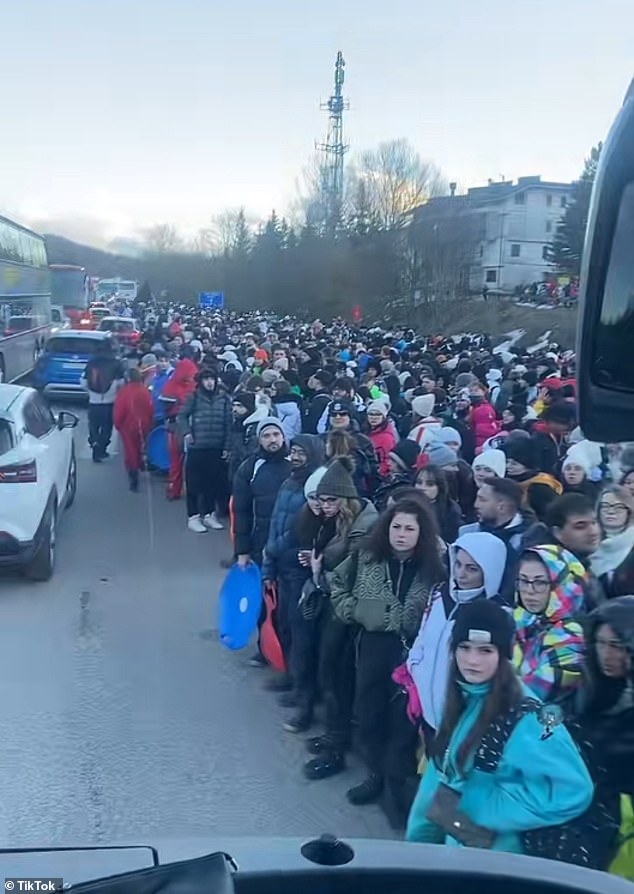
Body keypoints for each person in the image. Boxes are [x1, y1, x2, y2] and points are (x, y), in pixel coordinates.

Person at [406, 600, 594, 851]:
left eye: (486, 650)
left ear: (503, 654)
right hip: (455, 848)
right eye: (465, 647)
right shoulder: (460, 698)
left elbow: (574, 789)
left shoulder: (528, 716)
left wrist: (486, 805)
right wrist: (418, 843)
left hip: (497, 862)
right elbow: (438, 778)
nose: (472, 660)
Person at [330, 499, 443, 822]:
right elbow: (337, 582)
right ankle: (374, 774)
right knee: (369, 710)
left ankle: (396, 785)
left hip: (414, 650)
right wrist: (352, 610)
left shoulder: (434, 567)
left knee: (403, 719)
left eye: (409, 528)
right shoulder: (367, 556)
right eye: (396, 527)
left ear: (421, 533)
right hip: (374, 644)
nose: (401, 534)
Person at [303, 458, 378, 780]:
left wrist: (320, 574)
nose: (324, 506)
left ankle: (339, 744)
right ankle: (335, 733)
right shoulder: (338, 522)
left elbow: (356, 578)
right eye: (321, 500)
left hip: (348, 614)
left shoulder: (364, 529)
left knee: (338, 677)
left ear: (346, 499)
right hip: (335, 606)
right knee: (330, 674)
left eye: (330, 500)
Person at [407, 532, 508, 747]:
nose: (461, 574)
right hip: (426, 710)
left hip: (461, 719)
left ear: (489, 572)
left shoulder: (497, 615)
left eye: (472, 569)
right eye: (458, 564)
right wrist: (414, 668)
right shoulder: (438, 595)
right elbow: (422, 637)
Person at [572, 596, 634, 869]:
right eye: (601, 644)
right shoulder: (588, 691)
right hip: (585, 818)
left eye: (617, 646)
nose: (607, 655)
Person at [261, 435, 326, 694]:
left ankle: (304, 690)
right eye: (294, 451)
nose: (296, 456)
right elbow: (276, 524)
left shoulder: (317, 486)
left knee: (302, 635)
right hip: (283, 568)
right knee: (285, 626)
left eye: (302, 453)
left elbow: (303, 531)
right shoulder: (289, 482)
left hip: (302, 572)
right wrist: (269, 563)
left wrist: (275, 550)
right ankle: (290, 675)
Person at [233, 418, 292, 666]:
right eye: (266, 435)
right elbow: (241, 511)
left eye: (276, 434)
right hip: (261, 544)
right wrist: (242, 550)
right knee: (263, 600)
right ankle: (265, 648)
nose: (272, 440)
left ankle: (289, 651)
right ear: (259, 440)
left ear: (283, 436)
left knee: (289, 601)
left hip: (291, 545)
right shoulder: (250, 468)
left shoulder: (296, 464)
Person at [514, 545, 588, 706]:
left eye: (540, 582)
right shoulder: (523, 621)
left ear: (561, 584)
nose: (529, 590)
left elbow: (528, 694)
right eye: (523, 580)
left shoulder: (571, 638)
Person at [177, 366, 232, 533]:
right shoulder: (194, 397)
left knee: (212, 483)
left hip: (216, 446)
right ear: (200, 382)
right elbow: (182, 416)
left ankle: (209, 514)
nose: (209, 382)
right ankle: (193, 517)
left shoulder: (224, 399)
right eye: (206, 379)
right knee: (194, 484)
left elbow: (229, 424)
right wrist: (186, 432)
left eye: (212, 379)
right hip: (197, 447)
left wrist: (227, 446)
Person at [80, 339, 126, 463]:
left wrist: (90, 393)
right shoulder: (116, 363)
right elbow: (121, 383)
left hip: (93, 401)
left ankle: (94, 442)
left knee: (93, 425)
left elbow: (83, 382)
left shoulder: (92, 362)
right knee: (107, 426)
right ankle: (101, 448)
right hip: (110, 401)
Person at [161, 357, 198, 500]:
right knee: (191, 463)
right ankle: (191, 492)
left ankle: (174, 489)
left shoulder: (171, 385)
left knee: (176, 461)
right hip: (192, 428)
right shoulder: (196, 385)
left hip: (174, 427)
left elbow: (164, 406)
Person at [113, 368, 155, 491]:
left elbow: (119, 410)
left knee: (130, 451)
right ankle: (141, 464)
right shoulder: (145, 391)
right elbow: (150, 408)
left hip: (128, 426)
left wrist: (117, 424)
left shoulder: (124, 392)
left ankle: (133, 476)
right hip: (144, 424)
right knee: (140, 447)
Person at [503, 437, 563, 521]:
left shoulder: (539, 487)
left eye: (514, 464)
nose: (508, 466)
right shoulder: (505, 480)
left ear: (527, 465)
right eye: (507, 462)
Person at [591, 485, 634, 599]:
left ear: (629, 511)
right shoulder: (586, 542)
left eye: (618, 507)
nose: (610, 511)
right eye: (605, 506)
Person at [414, 465, 462, 544]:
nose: (422, 488)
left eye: (430, 484)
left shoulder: (450, 510)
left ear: (440, 487)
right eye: (419, 482)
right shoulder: (406, 506)